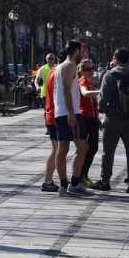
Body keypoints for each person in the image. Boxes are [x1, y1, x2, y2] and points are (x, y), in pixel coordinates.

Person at [93, 47, 129, 194]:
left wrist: (101, 110)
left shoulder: (109, 75)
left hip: (114, 116)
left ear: (115, 59)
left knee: (109, 150)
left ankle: (105, 181)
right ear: (128, 59)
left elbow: (103, 97)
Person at [53, 40, 93, 197]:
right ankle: (73, 184)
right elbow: (67, 91)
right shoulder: (69, 66)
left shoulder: (61, 66)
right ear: (77, 50)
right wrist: (71, 113)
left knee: (63, 149)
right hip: (69, 112)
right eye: (82, 49)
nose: (83, 52)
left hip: (61, 112)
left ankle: (64, 185)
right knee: (83, 147)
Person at [40, 50, 64, 192]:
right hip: (56, 115)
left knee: (57, 149)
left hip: (52, 113)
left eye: (52, 58)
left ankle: (50, 181)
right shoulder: (57, 72)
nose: (50, 60)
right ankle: (54, 181)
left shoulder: (52, 71)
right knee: (58, 149)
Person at [77, 59, 101, 186]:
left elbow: (93, 104)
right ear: (81, 70)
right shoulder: (83, 82)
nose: (91, 71)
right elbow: (84, 93)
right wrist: (100, 92)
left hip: (92, 119)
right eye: (87, 69)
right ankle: (80, 175)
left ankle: (84, 175)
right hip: (85, 119)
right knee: (86, 148)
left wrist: (97, 119)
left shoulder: (90, 83)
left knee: (93, 148)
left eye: (92, 68)